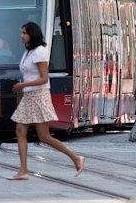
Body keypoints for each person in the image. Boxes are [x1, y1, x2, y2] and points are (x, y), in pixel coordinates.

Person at [7, 22, 84, 181]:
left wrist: (22, 85)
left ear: (32, 34)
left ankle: (76, 158)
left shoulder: (40, 52)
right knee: (20, 130)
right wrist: (24, 88)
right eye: (22, 33)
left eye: (24, 33)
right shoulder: (28, 52)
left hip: (39, 96)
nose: (22, 36)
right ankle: (23, 171)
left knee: (45, 137)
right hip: (29, 96)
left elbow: (43, 78)